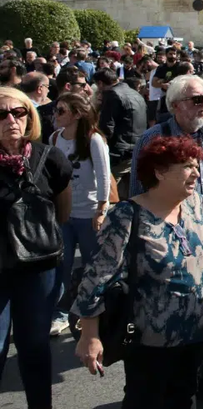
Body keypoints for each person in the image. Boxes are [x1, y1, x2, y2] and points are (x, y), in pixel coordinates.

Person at [74, 136, 203, 408]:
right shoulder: (126, 215)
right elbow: (96, 277)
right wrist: (90, 336)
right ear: (159, 172)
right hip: (150, 341)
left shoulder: (199, 205)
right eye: (187, 166)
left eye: (197, 166)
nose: (196, 173)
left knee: (184, 400)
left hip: (197, 334)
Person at [128, 74, 203, 407]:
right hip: (164, 246)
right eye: (197, 99)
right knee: (165, 315)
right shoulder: (152, 139)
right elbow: (137, 194)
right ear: (175, 105)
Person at [0, 88, 72, 409]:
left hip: (39, 269)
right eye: (1, 114)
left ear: (30, 117)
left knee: (34, 347)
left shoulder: (50, 158)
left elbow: (62, 212)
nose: (11, 120)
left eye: (19, 112)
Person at [48, 92, 112, 336]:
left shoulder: (93, 139)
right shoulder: (55, 138)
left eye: (61, 110)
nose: (55, 115)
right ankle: (61, 313)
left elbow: (104, 177)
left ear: (76, 114)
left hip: (89, 213)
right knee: (61, 265)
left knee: (91, 265)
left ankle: (92, 311)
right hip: (64, 213)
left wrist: (101, 209)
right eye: (56, 110)